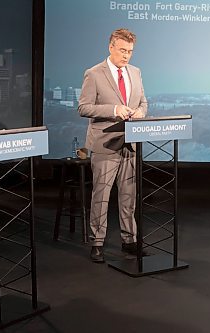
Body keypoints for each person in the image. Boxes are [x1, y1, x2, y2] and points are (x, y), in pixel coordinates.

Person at [78, 28, 148, 263]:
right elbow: (84, 107)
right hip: (105, 143)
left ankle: (130, 241)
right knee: (102, 195)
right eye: (122, 50)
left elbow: (143, 102)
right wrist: (114, 110)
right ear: (111, 47)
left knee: (129, 196)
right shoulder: (94, 74)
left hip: (131, 144)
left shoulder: (136, 72)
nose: (126, 56)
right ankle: (97, 243)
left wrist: (139, 112)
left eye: (130, 52)